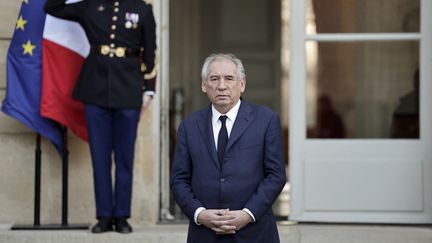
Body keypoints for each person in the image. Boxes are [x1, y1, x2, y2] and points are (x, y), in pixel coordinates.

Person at [44, 0, 157, 234]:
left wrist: (149, 89)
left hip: (128, 90)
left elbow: (151, 50)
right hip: (95, 90)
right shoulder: (89, 6)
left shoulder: (142, 9)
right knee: (100, 157)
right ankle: (104, 216)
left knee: (125, 158)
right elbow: (51, 7)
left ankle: (122, 217)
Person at [170, 53, 286, 243]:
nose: (221, 86)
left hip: (255, 233)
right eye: (214, 79)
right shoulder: (189, 126)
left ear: (242, 84)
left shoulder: (266, 120)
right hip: (205, 234)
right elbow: (178, 180)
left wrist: (247, 214)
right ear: (204, 85)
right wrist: (200, 214)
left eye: (229, 78)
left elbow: (276, 175)